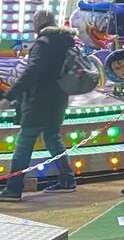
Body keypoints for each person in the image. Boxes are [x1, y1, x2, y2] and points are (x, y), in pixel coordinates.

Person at [0, 11, 77, 201]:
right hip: (59, 100)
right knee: (52, 138)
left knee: (24, 143)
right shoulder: (65, 41)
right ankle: (67, 179)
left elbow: (31, 72)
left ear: (38, 23)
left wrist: (9, 97)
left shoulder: (44, 43)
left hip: (39, 102)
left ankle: (13, 189)